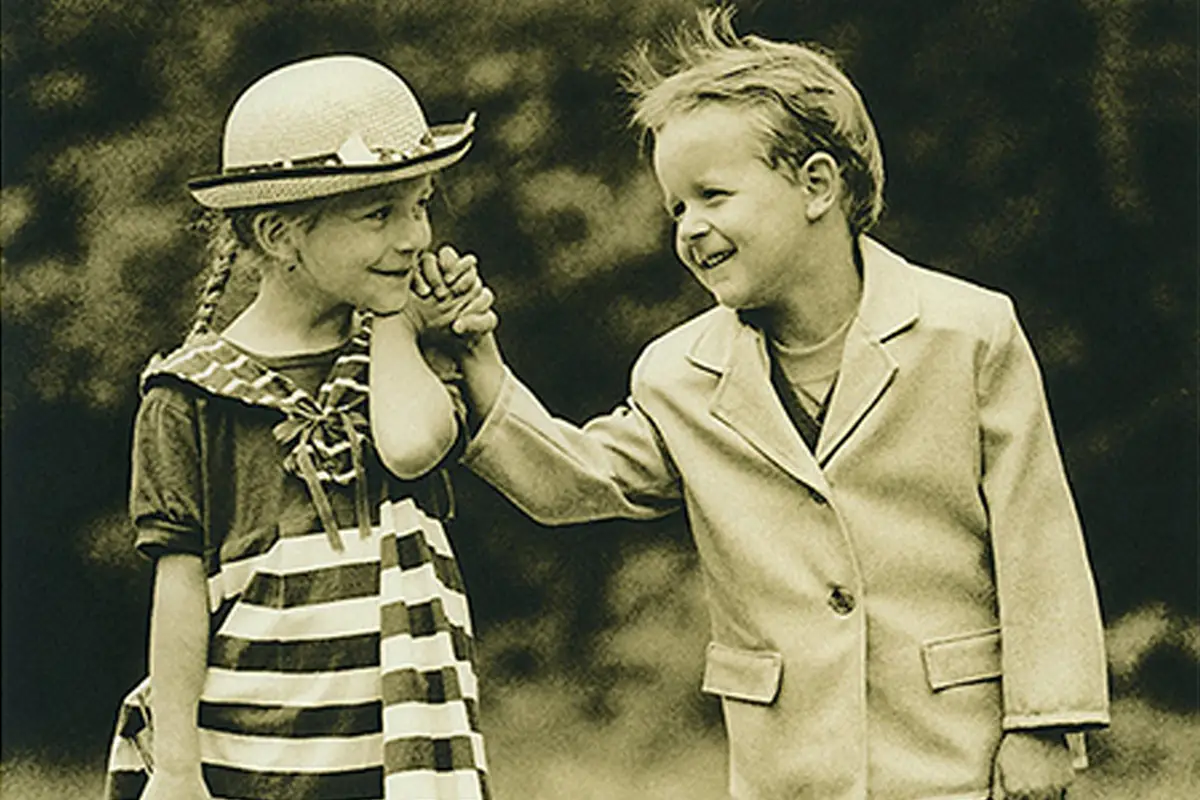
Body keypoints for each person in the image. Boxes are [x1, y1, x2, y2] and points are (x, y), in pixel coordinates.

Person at [434, 8, 1110, 800]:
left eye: (712, 195)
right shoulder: (678, 375)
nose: (689, 228)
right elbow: (573, 480)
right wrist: (478, 364)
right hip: (789, 770)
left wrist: (1042, 725)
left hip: (954, 757)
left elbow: (1039, 541)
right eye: (675, 209)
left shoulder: (969, 333)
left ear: (817, 185)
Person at [103, 54, 497, 800]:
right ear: (282, 236)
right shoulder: (190, 395)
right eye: (380, 213)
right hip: (252, 754)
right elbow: (180, 589)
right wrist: (180, 767)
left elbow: (413, 448)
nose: (415, 236)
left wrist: (394, 322)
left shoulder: (405, 358)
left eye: (421, 204)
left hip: (403, 757)